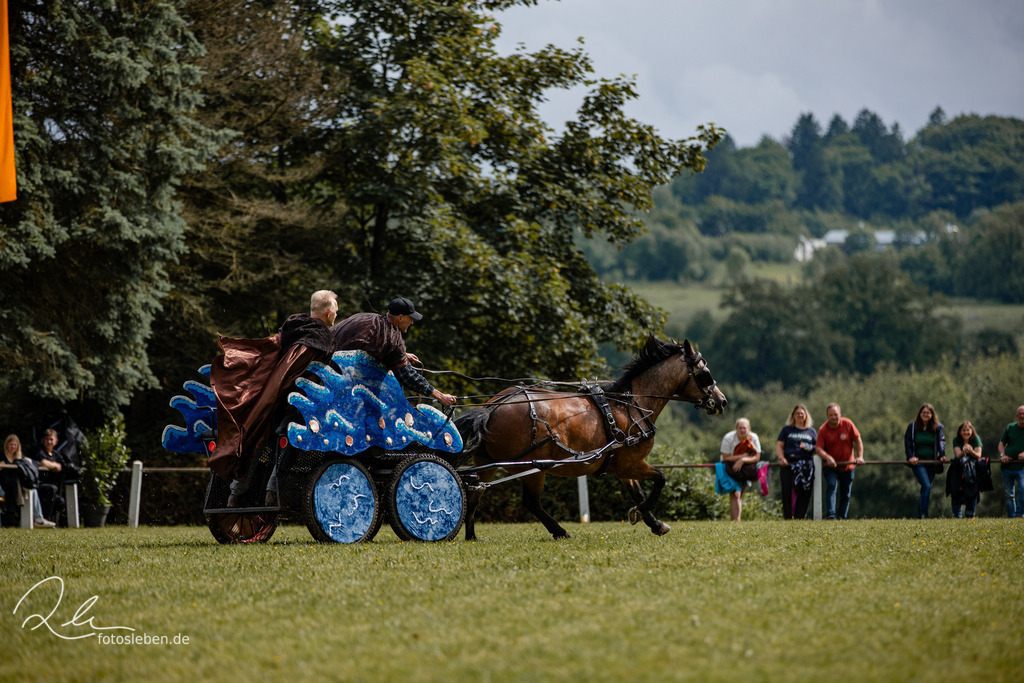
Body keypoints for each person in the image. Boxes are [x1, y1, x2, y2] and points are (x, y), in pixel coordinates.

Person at [209, 289, 338, 505]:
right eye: (335, 311)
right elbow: (294, 373)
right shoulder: (320, 338)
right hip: (295, 404)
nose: (336, 315)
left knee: (259, 433)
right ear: (327, 312)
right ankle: (272, 490)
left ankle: (236, 493)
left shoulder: (293, 330)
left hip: (272, 399)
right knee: (292, 433)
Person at [331, 297, 457, 408]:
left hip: (324, 369)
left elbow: (365, 346)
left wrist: (403, 355)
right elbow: (407, 376)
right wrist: (440, 396)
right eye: (410, 318)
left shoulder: (366, 318)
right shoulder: (393, 337)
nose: (412, 322)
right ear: (400, 318)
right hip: (342, 389)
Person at [814, 403, 864, 520]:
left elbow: (857, 440)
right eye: (831, 415)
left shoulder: (848, 424)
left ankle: (842, 517)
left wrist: (860, 456)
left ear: (840, 414)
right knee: (831, 486)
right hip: (831, 466)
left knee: (845, 493)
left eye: (835, 414)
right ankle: (831, 515)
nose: (833, 417)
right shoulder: (823, 429)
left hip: (848, 465)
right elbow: (818, 449)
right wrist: (828, 457)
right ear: (827, 416)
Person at [903, 403, 947, 519]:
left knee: (925, 488)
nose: (926, 414)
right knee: (927, 486)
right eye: (924, 412)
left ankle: (920, 516)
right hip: (918, 463)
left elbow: (941, 442)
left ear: (932, 415)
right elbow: (908, 444)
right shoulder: (912, 427)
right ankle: (924, 514)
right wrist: (910, 457)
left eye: (928, 412)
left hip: (932, 463)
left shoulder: (937, 428)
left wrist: (942, 455)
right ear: (920, 414)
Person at [1, 434, 54, 528]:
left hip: (18, 485)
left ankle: (37, 518)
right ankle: (37, 518)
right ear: (6, 445)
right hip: (6, 485)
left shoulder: (20, 458)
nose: (12, 447)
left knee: (32, 489)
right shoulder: (2, 457)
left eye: (14, 445)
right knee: (29, 488)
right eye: (10, 444)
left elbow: (35, 463)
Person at [716, 417, 764, 521]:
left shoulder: (753, 438)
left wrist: (743, 460)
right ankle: (736, 521)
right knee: (736, 493)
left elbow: (756, 457)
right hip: (728, 466)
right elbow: (725, 457)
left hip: (745, 468)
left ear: (749, 429)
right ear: (736, 429)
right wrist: (742, 456)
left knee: (738, 494)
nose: (742, 430)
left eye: (744, 428)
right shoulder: (728, 438)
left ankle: (734, 521)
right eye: (740, 428)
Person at [776, 404, 817, 520]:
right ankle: (788, 518)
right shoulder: (786, 430)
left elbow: (818, 448)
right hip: (788, 465)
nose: (800, 415)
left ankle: (800, 517)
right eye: (797, 413)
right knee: (787, 492)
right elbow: (779, 446)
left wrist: (809, 447)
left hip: (806, 466)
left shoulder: (811, 432)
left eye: (802, 413)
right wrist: (781, 458)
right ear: (793, 416)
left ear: (806, 416)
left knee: (804, 491)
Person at [29, 428, 66, 525]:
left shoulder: (57, 454)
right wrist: (54, 465)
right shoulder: (38, 451)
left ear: (56, 441)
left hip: (52, 490)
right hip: (38, 487)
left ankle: (48, 520)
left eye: (51, 439)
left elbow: (63, 465)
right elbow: (42, 462)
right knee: (51, 489)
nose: (49, 442)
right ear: (43, 440)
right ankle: (43, 520)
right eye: (47, 439)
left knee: (60, 501)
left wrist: (56, 465)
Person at [948, 420, 984, 518]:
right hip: (958, 469)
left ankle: (970, 514)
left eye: (968, 430)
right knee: (956, 491)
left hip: (973, 471)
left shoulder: (976, 439)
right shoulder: (956, 440)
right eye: (963, 430)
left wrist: (971, 451)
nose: (966, 432)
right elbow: (957, 455)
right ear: (960, 432)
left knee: (973, 491)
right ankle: (957, 515)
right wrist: (963, 452)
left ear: (972, 431)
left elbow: (978, 455)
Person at [997, 405, 1024, 518]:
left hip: (1022, 467)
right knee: (1009, 494)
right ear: (1017, 415)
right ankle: (1011, 516)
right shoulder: (1010, 427)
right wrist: (1003, 455)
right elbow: (1001, 443)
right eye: (1020, 414)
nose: (1022, 416)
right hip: (1007, 466)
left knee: (1023, 489)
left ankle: (1020, 514)